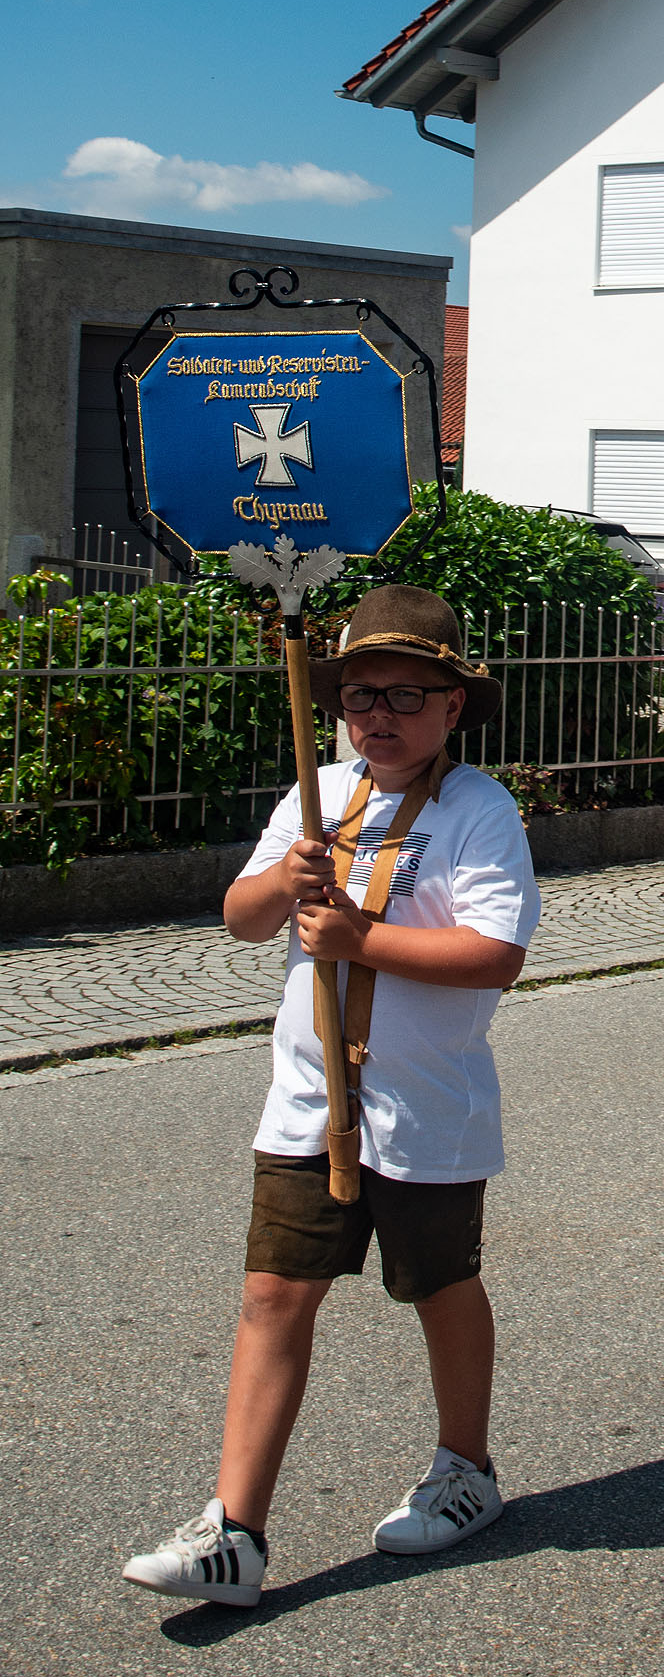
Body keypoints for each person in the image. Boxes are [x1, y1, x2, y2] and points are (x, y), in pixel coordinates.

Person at [121, 586, 541, 1607]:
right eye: (359, 695)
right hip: (307, 1100)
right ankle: (234, 1531)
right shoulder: (315, 795)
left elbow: (495, 954)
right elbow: (241, 916)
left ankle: (466, 1468)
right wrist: (287, 880)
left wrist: (363, 938)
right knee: (274, 1291)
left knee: (438, 1283)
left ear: (453, 706)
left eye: (406, 694)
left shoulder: (479, 809)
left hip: (423, 1107)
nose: (378, 715)